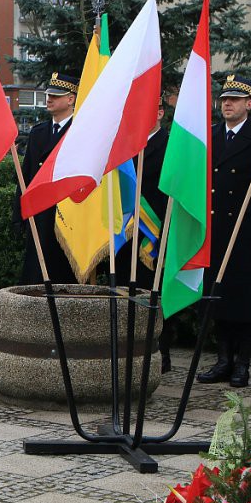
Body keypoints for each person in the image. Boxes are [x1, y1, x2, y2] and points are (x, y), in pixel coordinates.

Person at [197, 75, 251, 388]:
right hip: (217, 232)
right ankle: (222, 360)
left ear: (250, 104)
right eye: (223, 100)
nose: (227, 104)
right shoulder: (210, 136)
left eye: (234, 100)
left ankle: (242, 364)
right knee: (217, 299)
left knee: (246, 301)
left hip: (247, 235)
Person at [113, 97, 173, 372]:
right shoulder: (126, 146)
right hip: (127, 232)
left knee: (154, 293)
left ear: (160, 112)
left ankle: (160, 352)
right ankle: (129, 349)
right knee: (125, 290)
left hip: (156, 231)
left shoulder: (172, 144)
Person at [14, 73, 79, 285]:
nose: (49, 99)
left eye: (56, 95)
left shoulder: (78, 132)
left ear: (70, 99)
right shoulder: (39, 133)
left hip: (66, 219)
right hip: (39, 216)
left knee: (62, 278)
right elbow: (26, 177)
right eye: (48, 94)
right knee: (36, 277)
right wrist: (19, 214)